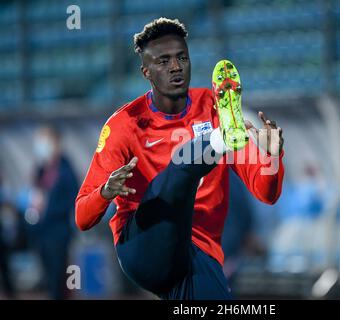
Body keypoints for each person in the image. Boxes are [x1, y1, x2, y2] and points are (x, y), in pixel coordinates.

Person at [75, 18, 284, 300]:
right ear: (146, 71)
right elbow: (82, 218)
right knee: (181, 167)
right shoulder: (126, 124)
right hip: (145, 244)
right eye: (163, 61)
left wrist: (272, 156)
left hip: (197, 253)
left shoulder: (216, 107)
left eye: (182, 58)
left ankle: (216, 143)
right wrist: (104, 193)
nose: (176, 67)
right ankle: (217, 142)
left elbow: (266, 192)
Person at [32, 125, 79, 299]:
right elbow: (36, 192)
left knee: (61, 275)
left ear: (56, 143)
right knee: (48, 274)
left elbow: (73, 197)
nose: (42, 145)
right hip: (42, 230)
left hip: (59, 230)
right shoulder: (41, 169)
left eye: (46, 140)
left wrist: (50, 210)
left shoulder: (65, 168)